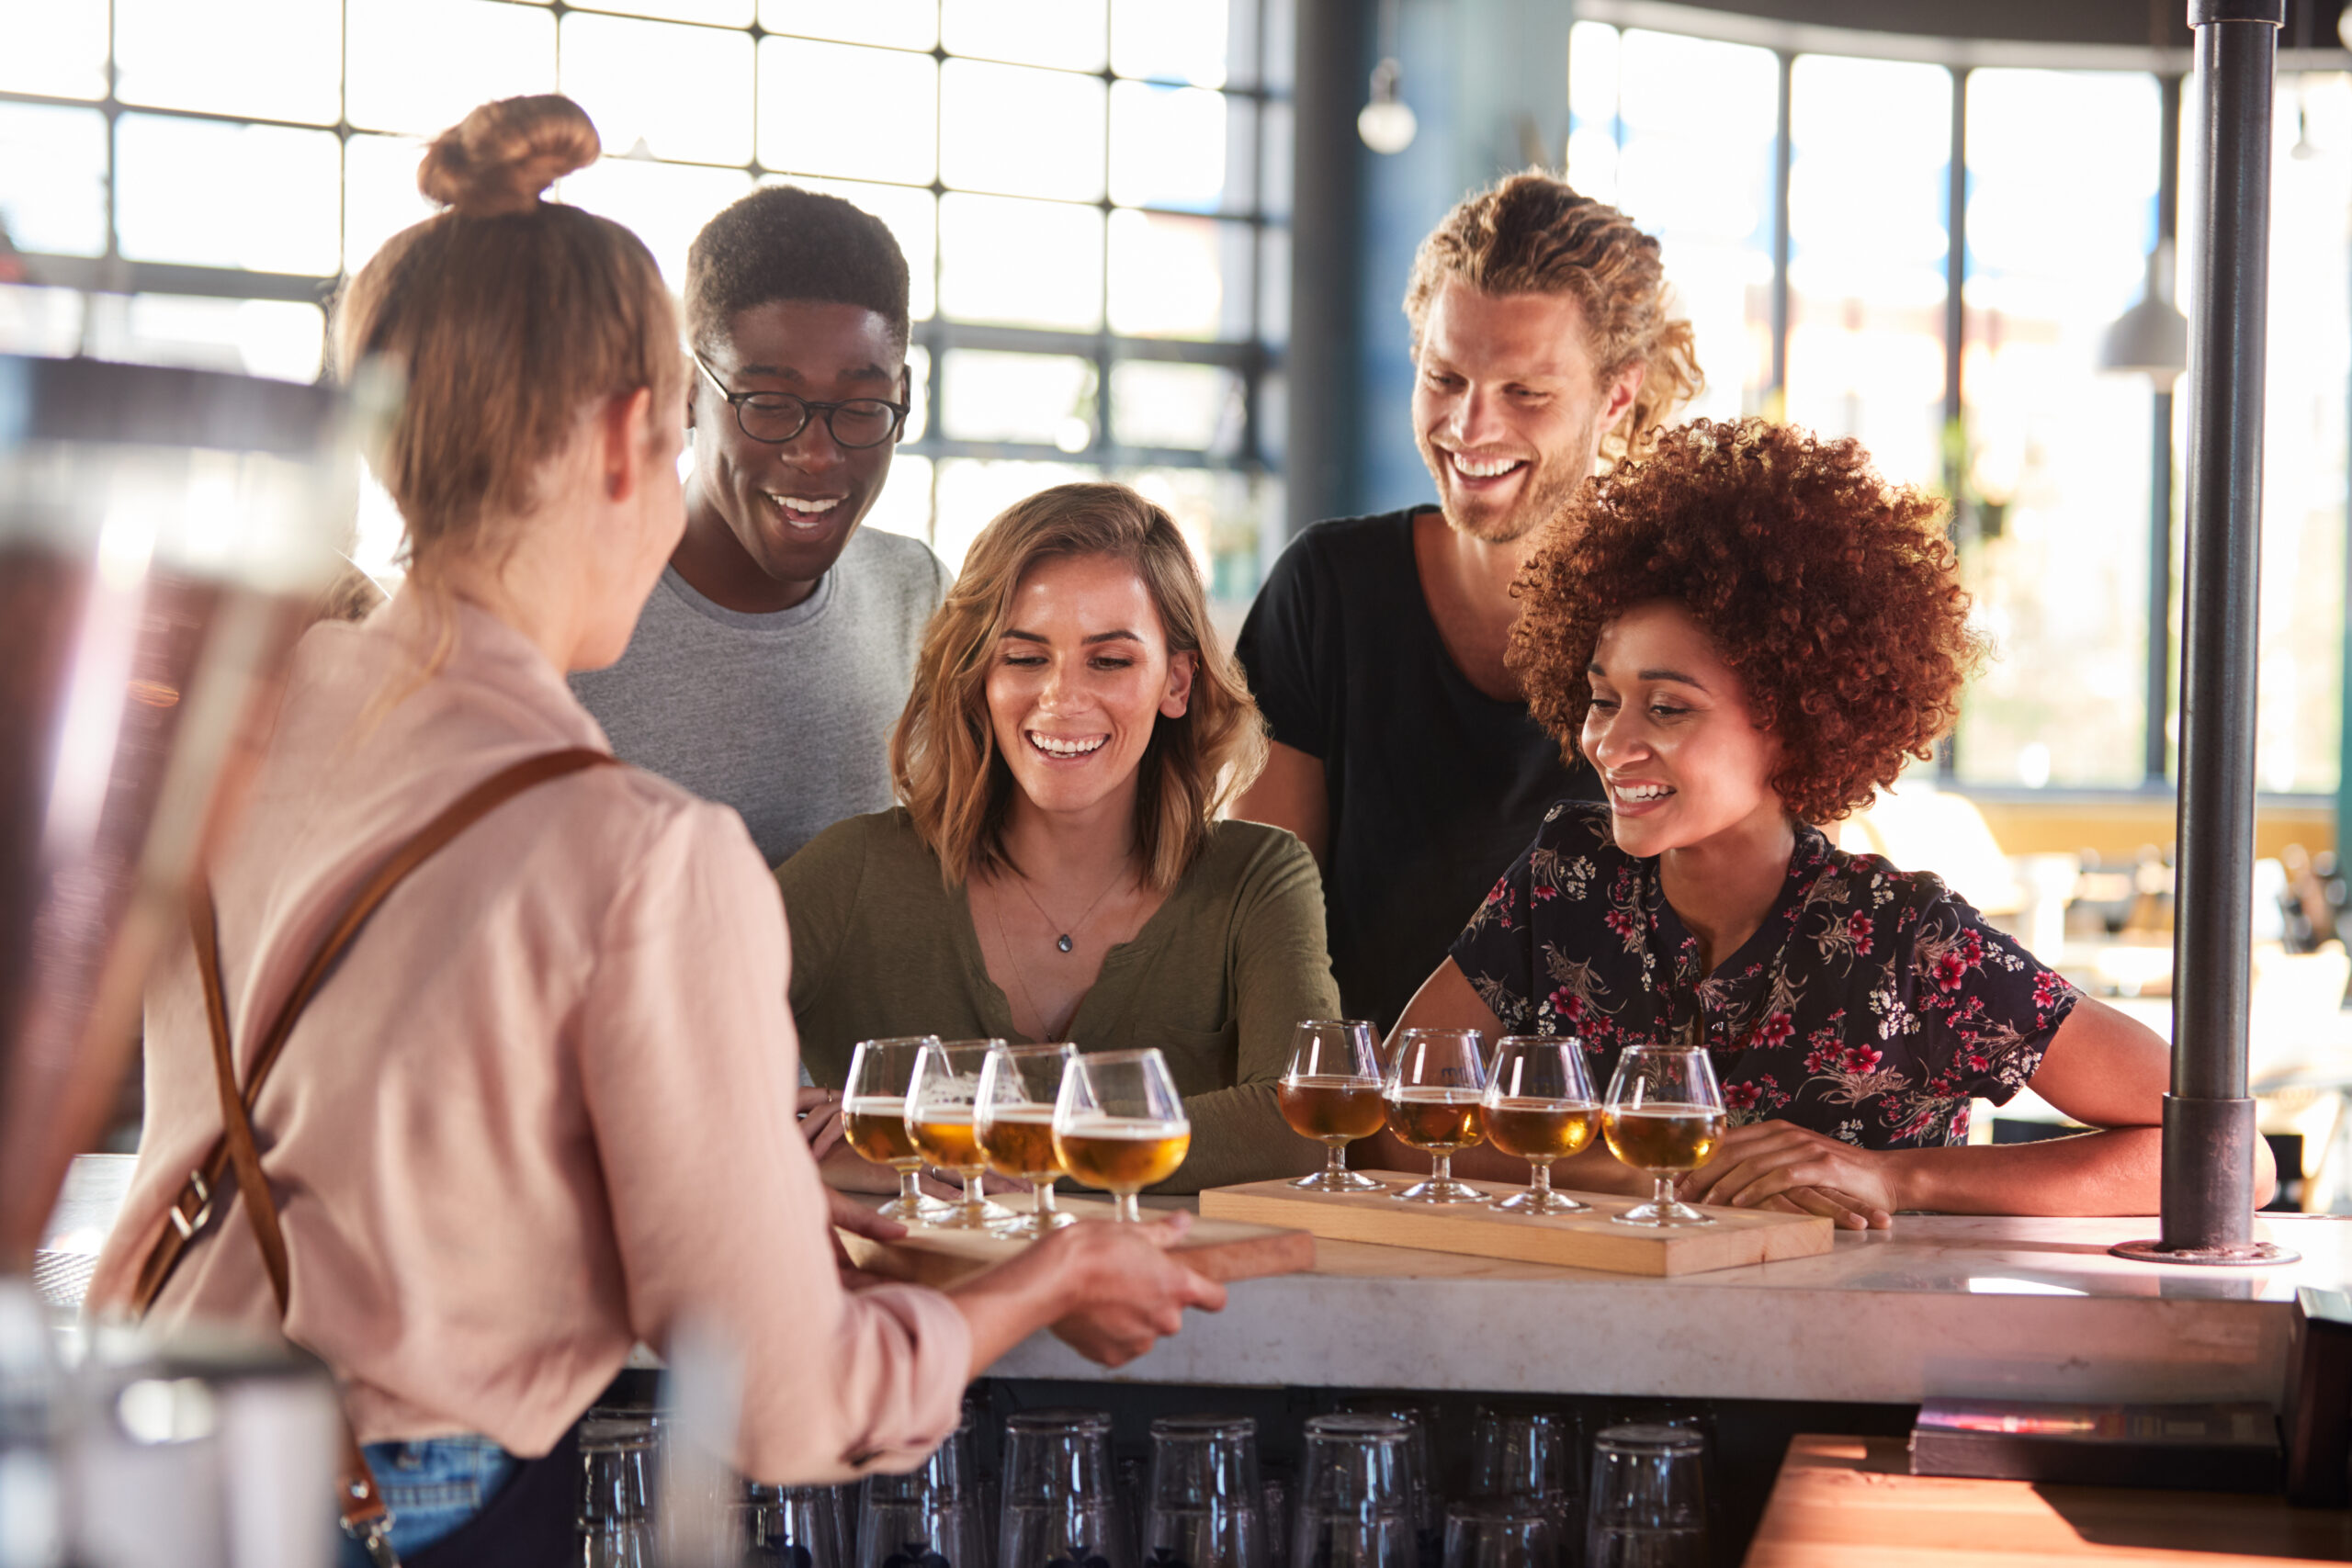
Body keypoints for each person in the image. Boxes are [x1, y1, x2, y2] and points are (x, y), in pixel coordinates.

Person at [88, 97, 1230, 1565]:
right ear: (649, 427)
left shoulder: (244, 715)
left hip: (145, 1465)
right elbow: (785, 1395)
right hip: (411, 1504)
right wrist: (1048, 1278)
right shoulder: (645, 855)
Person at [1374, 417, 2272, 1225]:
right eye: (1603, 699)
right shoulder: (1566, 881)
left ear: (1791, 717)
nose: (1612, 742)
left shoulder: (1907, 941)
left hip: (1853, 1366)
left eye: (1669, 709)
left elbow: (2233, 1167)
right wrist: (1676, 1172)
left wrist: (1895, 1179)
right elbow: (1398, 1119)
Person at [1233, 170, 1703, 1031]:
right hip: (1360, 1129)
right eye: (1445, 378)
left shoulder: (1694, 624)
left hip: (1600, 1139)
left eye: (1526, 392)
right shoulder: (1327, 591)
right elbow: (1265, 919)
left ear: (1617, 397)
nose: (1471, 427)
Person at [779, 482, 1341, 1193]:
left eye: (1109, 660)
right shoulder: (854, 871)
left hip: (1186, 1306)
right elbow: (648, 1048)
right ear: (979, 673)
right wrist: (791, 1137)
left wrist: (946, 1140)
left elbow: (1295, 1122)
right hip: (913, 1303)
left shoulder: (1259, 878)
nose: (1062, 698)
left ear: (1176, 680)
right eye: (1024, 657)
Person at [569, 183, 948, 867]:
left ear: (905, 397)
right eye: (769, 402)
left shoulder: (916, 597)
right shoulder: (566, 617)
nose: (817, 454)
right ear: (688, 390)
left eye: (862, 407)